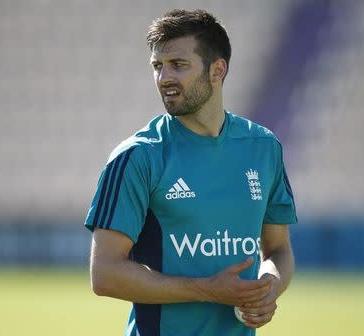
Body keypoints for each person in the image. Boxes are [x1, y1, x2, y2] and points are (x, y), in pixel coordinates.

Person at [84, 9, 297, 336]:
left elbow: (279, 249)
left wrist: (270, 285)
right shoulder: (138, 157)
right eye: (158, 66)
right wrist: (207, 289)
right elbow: (105, 274)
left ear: (217, 70)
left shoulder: (263, 147)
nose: (164, 77)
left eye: (178, 65)